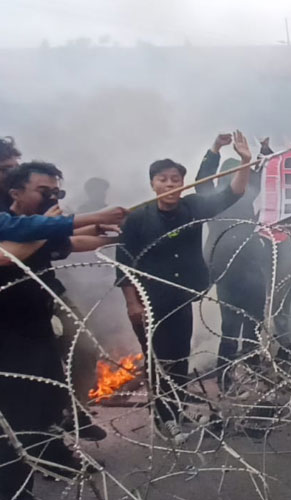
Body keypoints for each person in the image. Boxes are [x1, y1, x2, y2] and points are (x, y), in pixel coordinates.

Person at [116, 130, 252, 442]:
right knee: (159, 360)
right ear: (152, 183)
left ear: (182, 182)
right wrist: (132, 303)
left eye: (175, 179)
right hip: (151, 301)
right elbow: (123, 263)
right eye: (162, 179)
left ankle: (173, 413)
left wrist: (245, 162)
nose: (169, 185)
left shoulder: (191, 207)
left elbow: (232, 193)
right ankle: (165, 420)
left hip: (182, 297)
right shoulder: (137, 219)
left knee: (178, 358)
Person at [0, 161, 119, 500]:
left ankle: (60, 433)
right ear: (15, 191)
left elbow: (66, 243)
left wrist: (112, 234)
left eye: (56, 192)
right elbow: (11, 254)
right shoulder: (12, 222)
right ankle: (18, 479)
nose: (51, 198)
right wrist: (58, 223)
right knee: (19, 401)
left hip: (40, 308)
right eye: (43, 191)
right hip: (9, 322)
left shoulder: (37, 226)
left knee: (56, 381)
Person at [195, 134, 268, 390]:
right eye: (232, 174)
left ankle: (252, 370)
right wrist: (214, 150)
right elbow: (201, 181)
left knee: (254, 322)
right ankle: (226, 376)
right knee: (230, 324)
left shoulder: (249, 195)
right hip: (226, 267)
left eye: (240, 173)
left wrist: (264, 150)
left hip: (252, 263)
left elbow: (262, 173)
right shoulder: (212, 201)